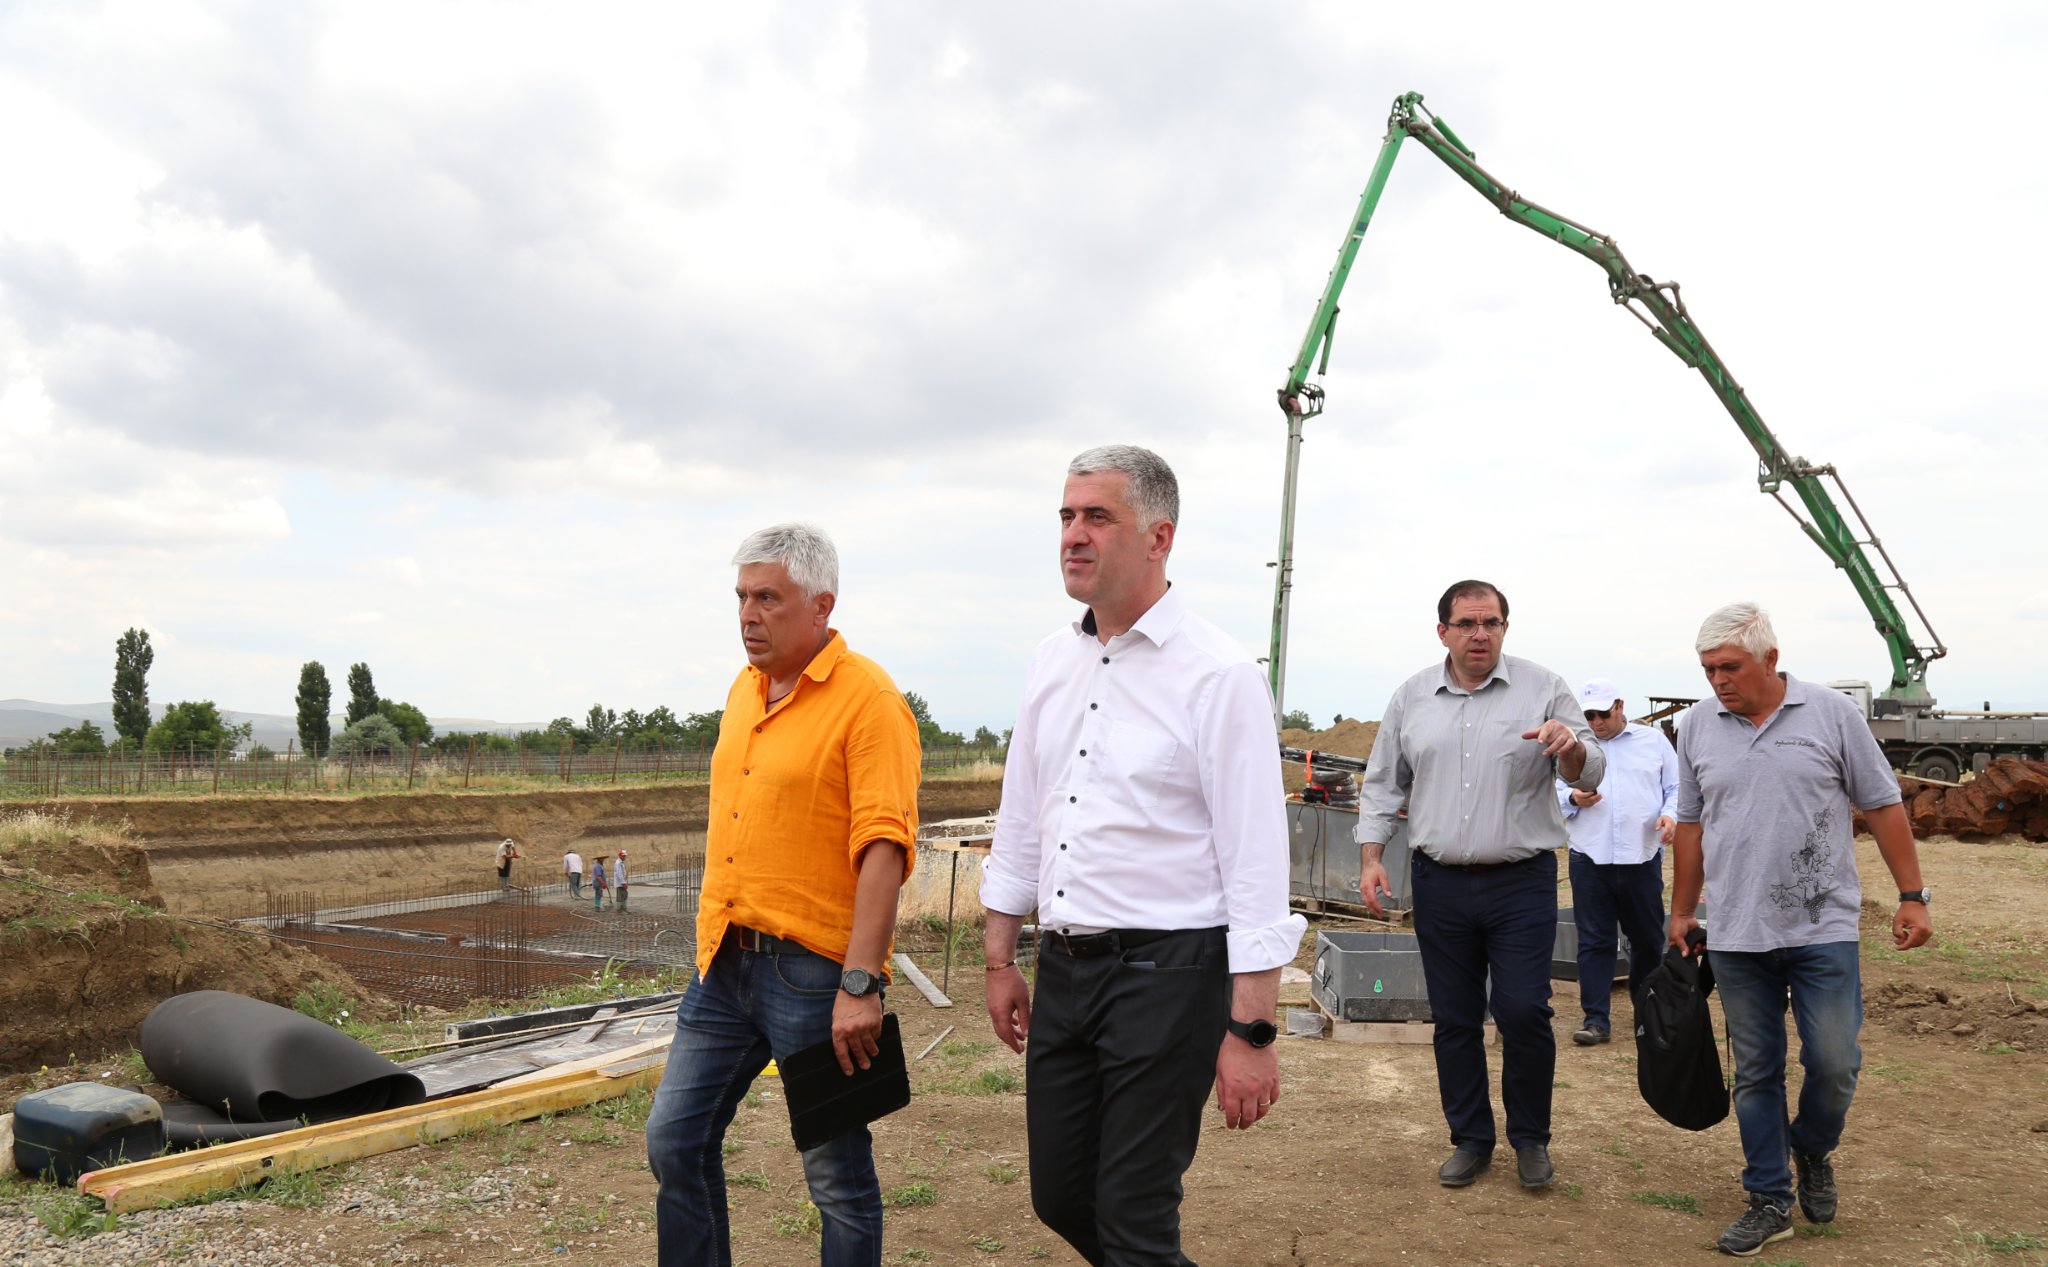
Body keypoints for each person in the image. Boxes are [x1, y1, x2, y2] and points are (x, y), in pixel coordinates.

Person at [981, 444, 1305, 1265]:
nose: (1073, 534)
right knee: (1061, 1195)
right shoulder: (1052, 662)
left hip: (1169, 974)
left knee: (1133, 1214)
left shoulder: (1219, 675)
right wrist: (1000, 954)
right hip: (1065, 968)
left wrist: (1252, 1028)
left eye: (1098, 516)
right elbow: (1023, 815)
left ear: (1159, 536)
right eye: (1066, 515)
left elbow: (1256, 862)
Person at [644, 522, 920, 1267]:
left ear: (821, 604)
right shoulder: (745, 689)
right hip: (726, 962)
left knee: (836, 1177)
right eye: (741, 597)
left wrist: (860, 983)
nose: (748, 614)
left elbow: (885, 847)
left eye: (768, 598)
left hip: (814, 975)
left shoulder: (869, 700)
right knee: (674, 1139)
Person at [1669, 602, 1932, 1256]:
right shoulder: (1696, 725)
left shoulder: (1831, 714)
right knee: (1756, 1070)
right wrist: (1682, 910)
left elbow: (1882, 804)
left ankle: (1811, 1146)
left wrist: (1912, 896)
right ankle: (1768, 1198)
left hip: (1823, 926)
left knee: (1836, 1062)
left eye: (1730, 667)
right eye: (1708, 669)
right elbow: (1691, 826)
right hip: (1736, 931)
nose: (1718, 680)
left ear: (1770, 659)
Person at [1354, 579, 1604, 1192]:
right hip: (1439, 883)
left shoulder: (1543, 689)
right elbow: (1384, 783)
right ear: (1443, 631)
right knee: (1454, 1018)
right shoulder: (1412, 697)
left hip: (1520, 882)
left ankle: (1531, 1139)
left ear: (1505, 629)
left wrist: (1570, 748)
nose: (1479, 634)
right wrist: (1371, 858)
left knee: (1523, 1010)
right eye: (1466, 623)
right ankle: (1470, 1138)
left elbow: (1591, 769)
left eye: (1491, 623)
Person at [1557, 678, 1677, 1046]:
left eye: (1602, 714)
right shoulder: (1573, 748)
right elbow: (1552, 791)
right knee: (1595, 940)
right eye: (1588, 716)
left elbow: (1676, 788)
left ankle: (1647, 1013)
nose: (1596, 722)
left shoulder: (1654, 742)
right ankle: (1596, 1019)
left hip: (1641, 857)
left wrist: (1670, 815)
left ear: (1620, 706)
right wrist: (1573, 798)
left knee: (1647, 939)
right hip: (1589, 858)